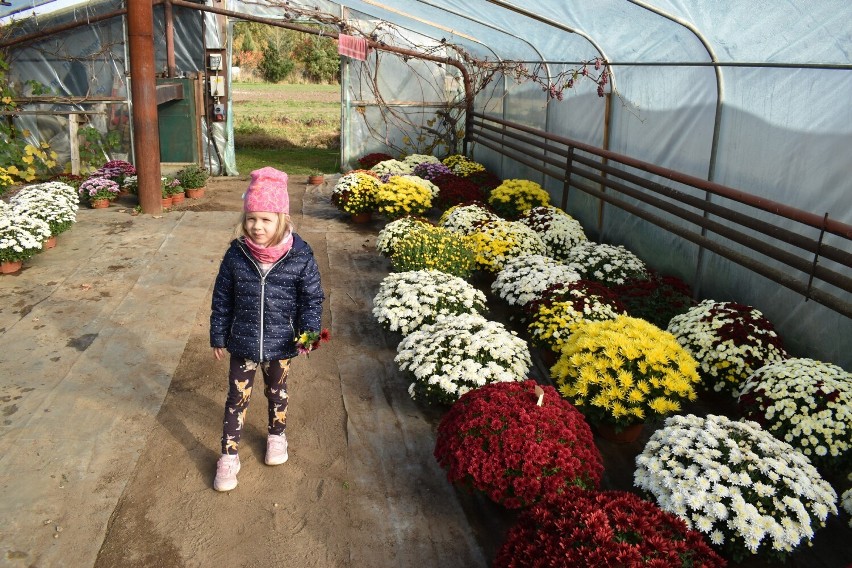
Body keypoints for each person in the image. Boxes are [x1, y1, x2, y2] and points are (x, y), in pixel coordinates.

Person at [209, 167, 325, 492]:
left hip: (281, 343)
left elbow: (312, 299)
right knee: (236, 399)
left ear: (282, 219)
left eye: (266, 219)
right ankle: (228, 456)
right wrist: (218, 334)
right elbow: (222, 297)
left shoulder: (300, 257)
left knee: (278, 393)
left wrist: (309, 333)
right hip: (243, 343)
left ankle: (276, 436)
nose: (257, 227)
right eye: (251, 219)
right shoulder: (236, 255)